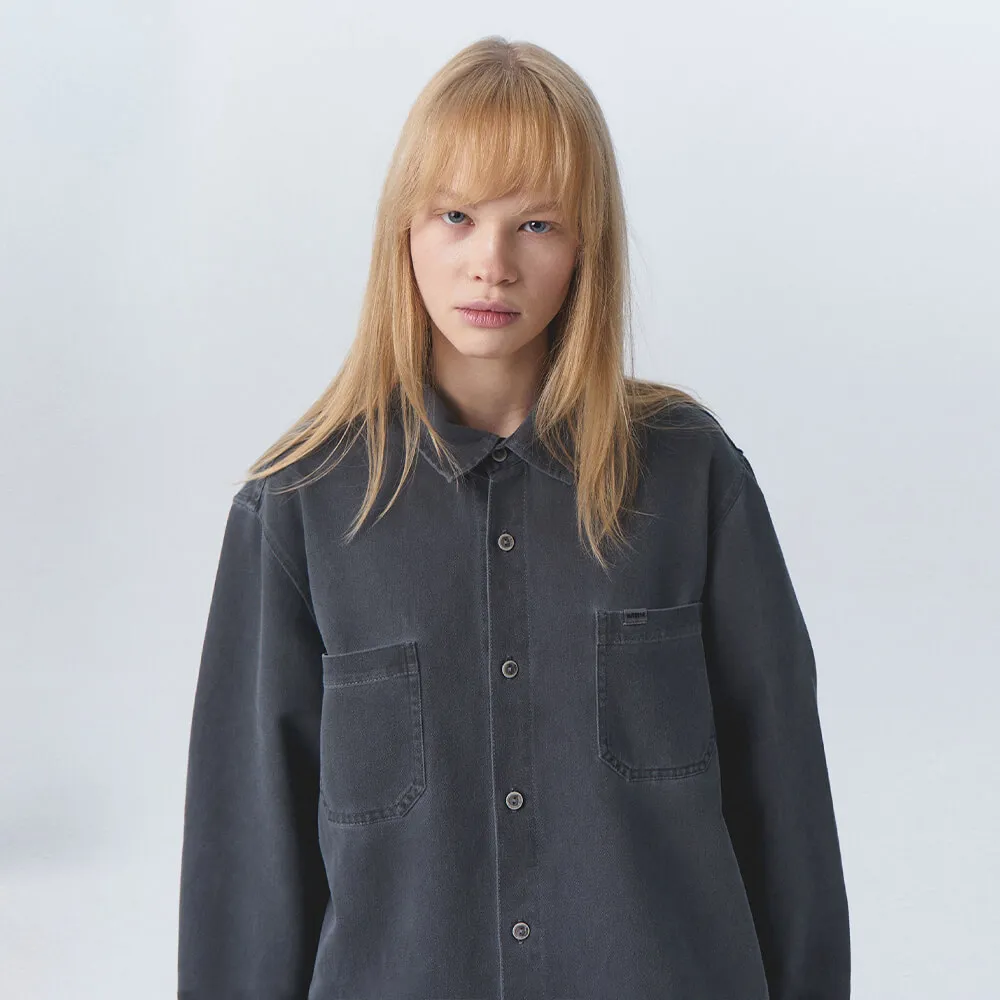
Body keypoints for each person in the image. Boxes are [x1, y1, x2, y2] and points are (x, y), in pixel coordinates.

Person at [177, 35, 851, 1000]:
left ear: (587, 248)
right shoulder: (298, 509)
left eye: (536, 224)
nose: (490, 264)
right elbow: (248, 870)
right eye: (456, 215)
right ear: (404, 230)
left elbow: (784, 807)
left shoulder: (692, 477)